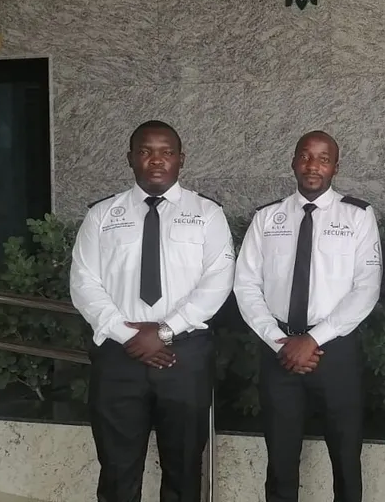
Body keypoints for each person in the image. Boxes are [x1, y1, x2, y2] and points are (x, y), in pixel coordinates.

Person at [70, 120, 234, 502]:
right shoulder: (102, 215)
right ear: (130, 158)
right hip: (120, 356)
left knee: (184, 470)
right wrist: (130, 335)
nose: (156, 160)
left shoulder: (207, 214)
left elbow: (218, 282)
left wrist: (163, 332)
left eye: (166, 152)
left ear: (181, 159)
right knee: (117, 470)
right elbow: (83, 282)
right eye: (145, 151)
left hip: (184, 356)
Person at [233, 131, 381, 502]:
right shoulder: (268, 218)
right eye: (305, 156)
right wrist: (278, 340)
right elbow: (246, 285)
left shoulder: (358, 216)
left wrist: (313, 339)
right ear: (293, 162)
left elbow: (366, 288)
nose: (313, 166)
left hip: (334, 351)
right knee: (280, 462)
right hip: (279, 350)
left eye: (323, 158)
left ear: (335, 167)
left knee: (346, 458)